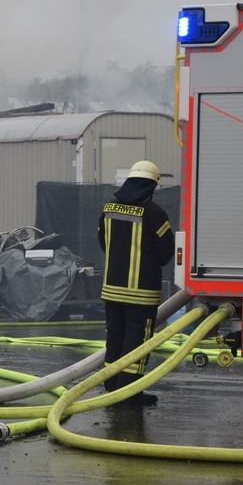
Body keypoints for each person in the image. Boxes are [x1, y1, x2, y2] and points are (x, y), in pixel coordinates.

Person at [98, 160, 175, 405]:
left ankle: (112, 387)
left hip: (111, 290)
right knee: (137, 342)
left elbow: (103, 242)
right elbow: (166, 251)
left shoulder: (108, 208)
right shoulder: (154, 213)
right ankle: (129, 394)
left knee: (115, 337)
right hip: (141, 294)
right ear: (151, 185)